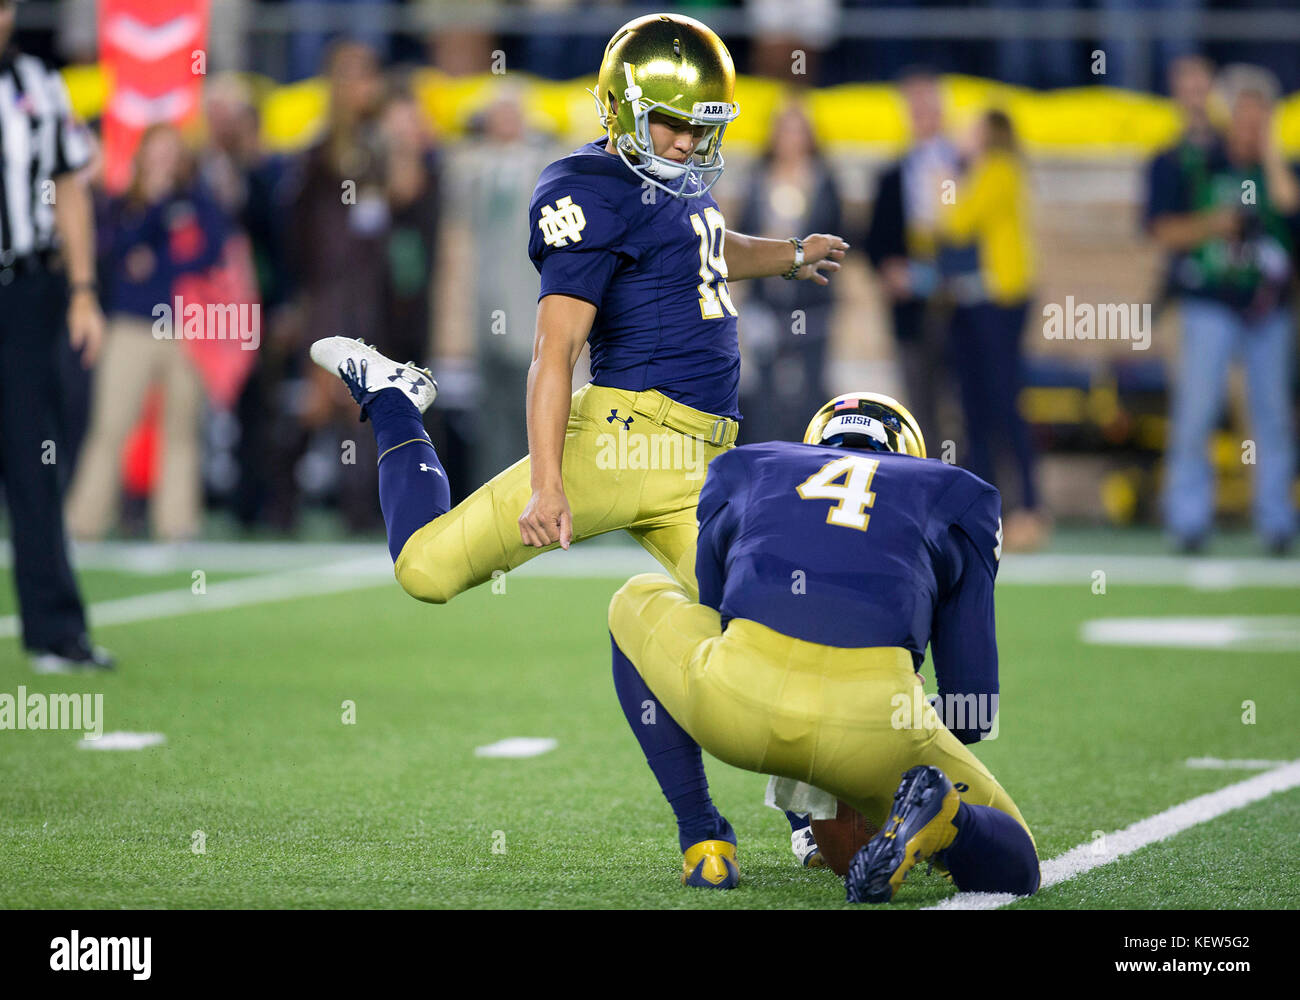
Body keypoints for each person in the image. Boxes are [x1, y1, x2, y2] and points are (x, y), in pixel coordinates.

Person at [308, 13, 849, 884]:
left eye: (698, 125)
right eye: (668, 122)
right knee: (426, 570)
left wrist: (784, 255)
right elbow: (553, 352)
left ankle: (786, 821)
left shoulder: (673, 180)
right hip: (621, 440)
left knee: (774, 636)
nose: (683, 140)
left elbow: (704, 255)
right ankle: (392, 399)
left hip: (704, 463)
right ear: (619, 107)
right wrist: (549, 483)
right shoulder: (586, 187)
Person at [607, 392, 1040, 903]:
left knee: (634, 599)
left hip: (738, 707)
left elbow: (717, 616)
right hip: (877, 723)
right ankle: (947, 820)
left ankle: (704, 843)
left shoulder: (747, 466)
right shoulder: (959, 493)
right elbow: (973, 710)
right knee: (1017, 862)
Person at [0, 0, 112, 671]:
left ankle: (55, 631)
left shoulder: (40, 84)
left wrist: (83, 291)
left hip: (27, 291)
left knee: (33, 460)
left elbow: (69, 189)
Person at [1147, 64, 1298, 555]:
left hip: (1266, 309)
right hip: (1208, 302)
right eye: (1245, 116)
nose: (1251, 127)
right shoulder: (1200, 163)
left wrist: (1272, 153)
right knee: (1197, 411)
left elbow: (1289, 209)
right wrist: (1218, 225)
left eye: (1261, 119)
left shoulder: (1277, 170)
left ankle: (1276, 520)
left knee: (1271, 414)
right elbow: (1164, 230)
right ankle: (1189, 519)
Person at [66, 125, 228, 542]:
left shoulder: (196, 201)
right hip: (133, 325)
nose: (163, 160)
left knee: (181, 428)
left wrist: (157, 264)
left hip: (185, 328)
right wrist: (153, 210)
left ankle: (177, 524)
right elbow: (113, 250)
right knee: (110, 424)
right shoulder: (123, 204)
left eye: (171, 152)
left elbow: (211, 252)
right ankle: (83, 522)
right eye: (156, 152)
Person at [939, 109, 1046, 552]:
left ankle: (1029, 506)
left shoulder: (998, 169)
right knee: (980, 409)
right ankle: (988, 506)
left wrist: (949, 176)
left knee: (1003, 404)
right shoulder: (995, 171)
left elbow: (956, 223)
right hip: (978, 301)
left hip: (999, 302)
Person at [735, 101, 843, 445]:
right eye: (784, 130)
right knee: (764, 394)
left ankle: (811, 461)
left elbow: (840, 237)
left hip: (813, 304)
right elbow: (742, 238)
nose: (790, 139)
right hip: (765, 305)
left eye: (798, 130)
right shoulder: (757, 180)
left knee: (811, 390)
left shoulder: (825, 181)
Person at [865, 67, 960, 455]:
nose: (922, 114)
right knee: (920, 407)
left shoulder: (965, 165)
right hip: (911, 307)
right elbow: (875, 240)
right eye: (914, 106)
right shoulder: (892, 175)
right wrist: (889, 270)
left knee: (965, 403)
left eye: (929, 105)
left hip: (961, 306)